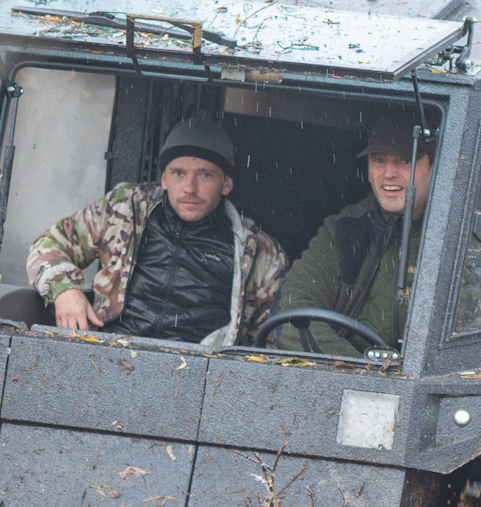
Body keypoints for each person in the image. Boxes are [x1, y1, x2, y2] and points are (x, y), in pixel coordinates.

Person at [26, 116, 286, 346]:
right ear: (163, 179)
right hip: (108, 355)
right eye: (178, 173)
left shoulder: (260, 251)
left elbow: (272, 343)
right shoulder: (125, 209)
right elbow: (49, 244)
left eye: (205, 175)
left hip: (203, 377)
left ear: (226, 183)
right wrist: (64, 289)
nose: (190, 188)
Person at [275, 114, 434, 356]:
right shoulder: (344, 229)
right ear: (368, 171)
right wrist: (360, 373)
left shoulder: (463, 231)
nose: (389, 173)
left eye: (403, 160)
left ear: (434, 167)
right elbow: (292, 314)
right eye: (379, 160)